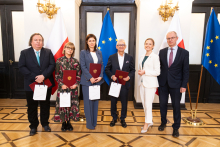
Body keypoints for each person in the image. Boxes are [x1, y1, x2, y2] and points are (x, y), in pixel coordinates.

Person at [18, 33, 55, 136]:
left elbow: (52, 65)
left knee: (45, 105)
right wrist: (35, 77)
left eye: (40, 40)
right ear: (31, 42)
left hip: (45, 83)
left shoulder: (48, 52)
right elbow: (22, 67)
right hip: (31, 84)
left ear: (42, 42)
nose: (38, 42)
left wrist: (43, 76)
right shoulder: (24, 53)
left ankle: (45, 124)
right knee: (32, 106)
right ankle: (33, 126)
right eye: (36, 40)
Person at [158, 31, 189, 137]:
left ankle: (176, 127)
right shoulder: (162, 52)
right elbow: (160, 68)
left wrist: (184, 85)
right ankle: (163, 122)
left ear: (176, 38)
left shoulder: (184, 53)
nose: (170, 40)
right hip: (163, 83)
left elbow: (186, 70)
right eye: (168, 38)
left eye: (172, 38)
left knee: (176, 106)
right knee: (162, 105)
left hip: (177, 84)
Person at [105, 39, 135, 128]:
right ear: (116, 47)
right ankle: (114, 118)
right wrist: (111, 76)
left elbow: (133, 70)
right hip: (114, 84)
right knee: (113, 102)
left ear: (125, 47)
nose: (121, 46)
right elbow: (107, 69)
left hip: (124, 84)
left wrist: (129, 77)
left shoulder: (130, 57)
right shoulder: (112, 57)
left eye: (123, 45)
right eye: (119, 45)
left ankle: (122, 119)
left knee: (124, 103)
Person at [54, 42, 81, 131]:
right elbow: (57, 75)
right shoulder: (59, 61)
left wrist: (76, 84)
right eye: (68, 48)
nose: (70, 50)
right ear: (64, 49)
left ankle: (69, 123)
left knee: (71, 105)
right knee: (63, 105)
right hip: (63, 88)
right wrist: (62, 85)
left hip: (73, 88)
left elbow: (78, 75)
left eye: (72, 48)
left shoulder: (76, 61)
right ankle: (63, 123)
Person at [80, 34, 104, 130]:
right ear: (87, 42)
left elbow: (101, 65)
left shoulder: (99, 53)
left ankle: (94, 122)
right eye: (90, 40)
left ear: (95, 42)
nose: (91, 42)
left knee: (95, 102)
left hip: (97, 81)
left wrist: (101, 76)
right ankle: (89, 123)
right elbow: (83, 66)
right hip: (87, 81)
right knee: (88, 103)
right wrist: (90, 77)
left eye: (93, 40)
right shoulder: (83, 52)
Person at [138, 38, 160, 133]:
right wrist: (141, 72)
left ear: (153, 46)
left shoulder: (155, 57)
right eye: (146, 43)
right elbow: (142, 68)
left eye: (150, 44)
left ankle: (146, 124)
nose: (147, 45)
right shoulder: (142, 56)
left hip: (150, 84)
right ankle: (149, 120)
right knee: (144, 104)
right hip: (142, 83)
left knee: (148, 104)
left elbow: (157, 72)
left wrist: (145, 71)